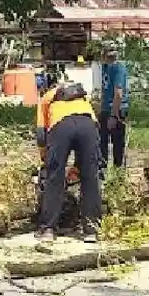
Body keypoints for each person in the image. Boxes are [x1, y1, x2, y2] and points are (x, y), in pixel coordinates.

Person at [35, 80, 103, 243]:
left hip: (61, 126)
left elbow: (40, 134)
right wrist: (78, 166)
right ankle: (90, 230)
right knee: (90, 177)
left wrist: (45, 159)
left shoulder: (46, 98)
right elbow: (92, 126)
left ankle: (48, 229)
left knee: (54, 177)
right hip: (88, 126)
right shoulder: (83, 100)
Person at [98, 42, 130, 174]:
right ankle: (111, 173)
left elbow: (118, 93)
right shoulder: (110, 68)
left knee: (109, 145)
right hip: (110, 110)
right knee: (110, 145)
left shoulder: (116, 69)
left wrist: (113, 115)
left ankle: (113, 174)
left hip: (114, 110)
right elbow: (111, 91)